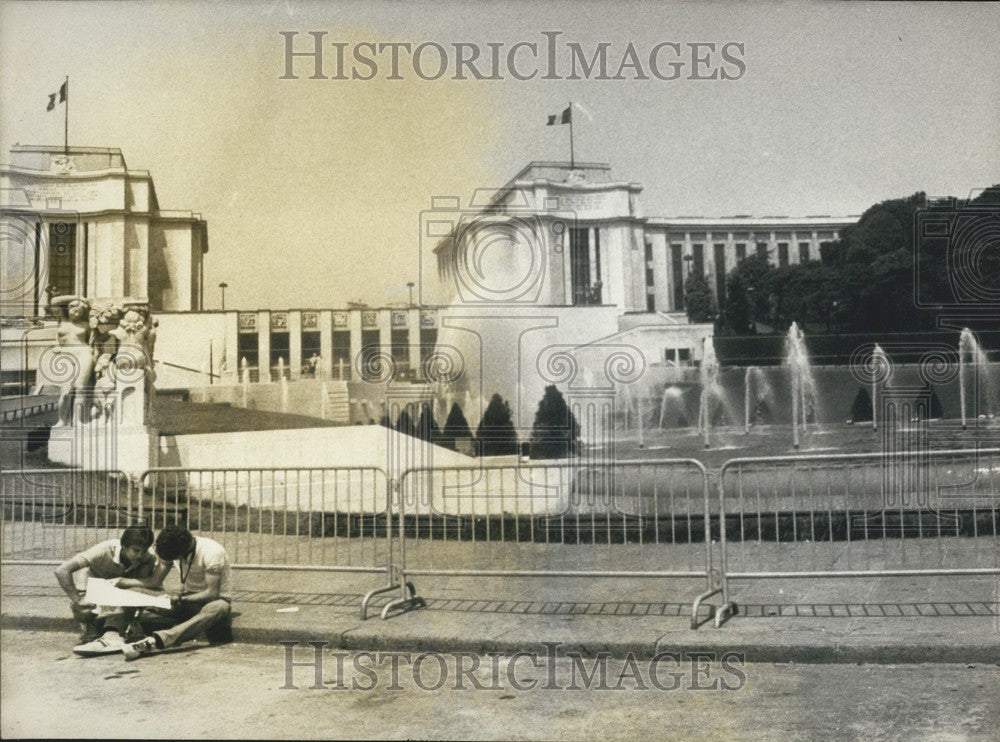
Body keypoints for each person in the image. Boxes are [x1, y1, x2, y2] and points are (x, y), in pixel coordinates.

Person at [123, 525, 233, 660]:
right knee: (134, 592)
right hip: (184, 599)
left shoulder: (211, 551)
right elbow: (155, 582)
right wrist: (122, 582)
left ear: (183, 550)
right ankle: (119, 634)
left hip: (211, 601)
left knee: (220, 608)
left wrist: (179, 599)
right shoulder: (172, 546)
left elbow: (212, 593)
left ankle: (155, 641)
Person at [54, 526, 157, 655]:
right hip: (94, 588)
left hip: (120, 590)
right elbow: (61, 570)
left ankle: (128, 625)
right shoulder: (103, 550)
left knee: (138, 593)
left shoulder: (148, 556)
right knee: (85, 610)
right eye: (136, 550)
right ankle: (90, 627)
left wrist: (124, 583)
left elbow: (145, 583)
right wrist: (76, 599)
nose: (140, 555)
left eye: (144, 550)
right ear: (124, 546)